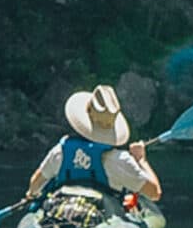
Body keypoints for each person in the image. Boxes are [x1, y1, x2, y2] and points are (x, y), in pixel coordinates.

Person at [23, 85, 161, 205]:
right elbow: (155, 193)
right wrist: (141, 160)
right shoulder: (121, 160)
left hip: (62, 209)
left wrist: (31, 194)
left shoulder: (61, 151)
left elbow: (36, 182)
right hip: (102, 219)